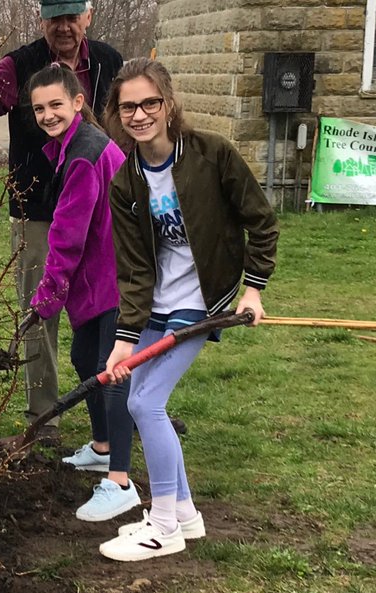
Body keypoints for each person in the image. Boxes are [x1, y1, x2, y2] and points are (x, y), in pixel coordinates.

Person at [99, 58, 277, 562]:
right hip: (157, 301)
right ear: (117, 112)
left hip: (203, 302)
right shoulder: (126, 181)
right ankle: (185, 516)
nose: (139, 115)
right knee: (139, 395)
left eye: (149, 103)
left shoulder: (211, 153)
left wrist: (253, 290)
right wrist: (123, 341)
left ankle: (162, 526)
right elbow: (133, 271)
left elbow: (261, 222)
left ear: (168, 104)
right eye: (128, 106)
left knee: (145, 404)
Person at [0, 0, 123, 446]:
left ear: (87, 16)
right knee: (43, 314)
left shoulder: (107, 62)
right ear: (42, 20)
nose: (63, 27)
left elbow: (125, 117)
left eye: (71, 16)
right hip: (39, 213)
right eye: (54, 18)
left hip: (104, 215)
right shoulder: (21, 64)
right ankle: (46, 421)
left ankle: (123, 412)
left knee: (107, 314)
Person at [24, 64, 139, 522]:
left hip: (118, 278)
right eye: (39, 108)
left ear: (76, 102)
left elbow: (66, 235)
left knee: (110, 372)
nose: (47, 115)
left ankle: (121, 481)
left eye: (55, 104)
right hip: (99, 276)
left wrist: (45, 300)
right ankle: (102, 444)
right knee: (83, 361)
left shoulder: (82, 156)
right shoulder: (71, 146)